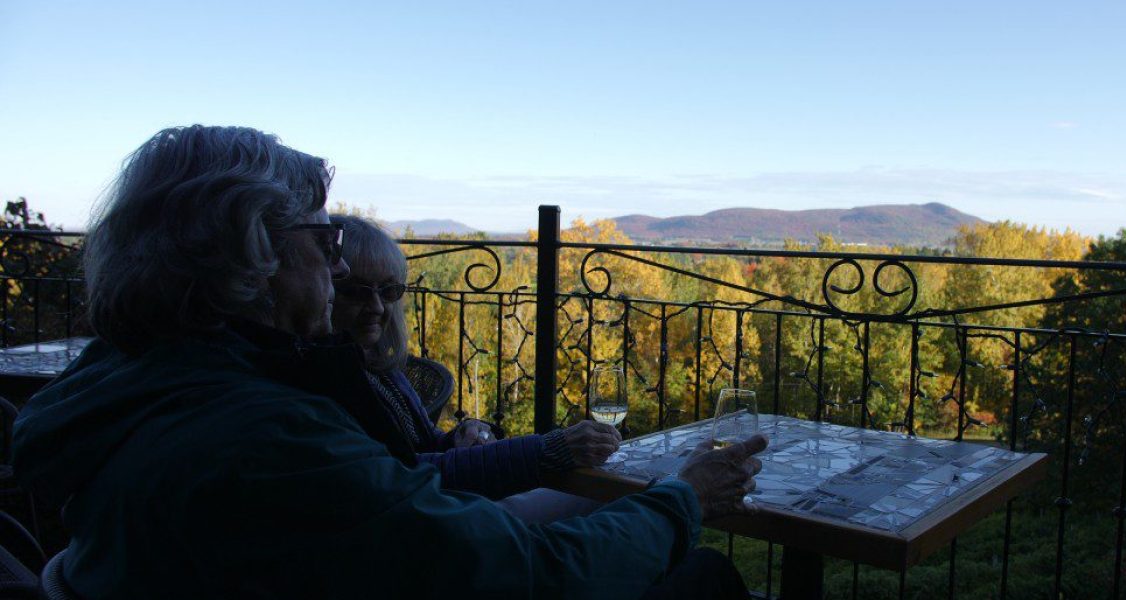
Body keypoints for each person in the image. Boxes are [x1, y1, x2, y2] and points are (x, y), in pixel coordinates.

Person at [13, 125, 763, 599]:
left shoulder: (123, 388)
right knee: (703, 578)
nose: (337, 273)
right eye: (325, 242)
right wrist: (680, 501)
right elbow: (525, 574)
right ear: (256, 251)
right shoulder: (264, 439)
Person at [330, 213, 603, 520]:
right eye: (355, 291)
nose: (378, 307)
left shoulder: (375, 364)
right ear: (322, 289)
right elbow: (406, 474)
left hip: (443, 507)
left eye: (389, 291)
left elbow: (420, 449)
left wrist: (457, 438)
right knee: (607, 500)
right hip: (435, 525)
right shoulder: (331, 380)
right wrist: (549, 448)